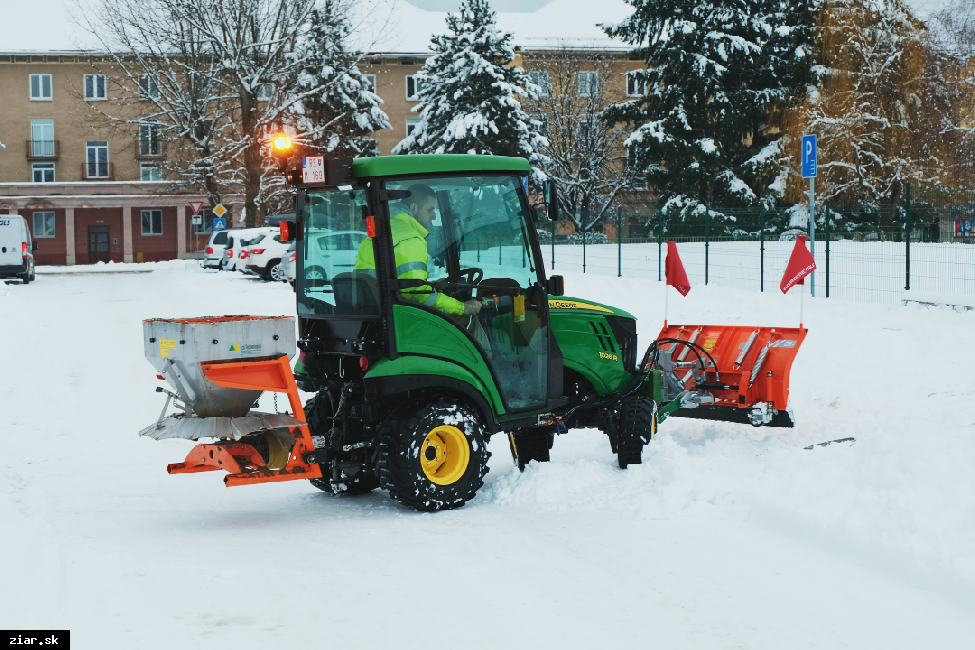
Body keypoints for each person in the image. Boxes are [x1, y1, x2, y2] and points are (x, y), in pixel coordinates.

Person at [354, 183, 482, 316]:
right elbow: (418, 295)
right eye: (430, 210)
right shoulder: (410, 238)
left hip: (376, 312)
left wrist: (428, 285)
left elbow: (398, 282)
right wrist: (461, 307)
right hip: (399, 318)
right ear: (414, 207)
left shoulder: (382, 231)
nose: (434, 216)